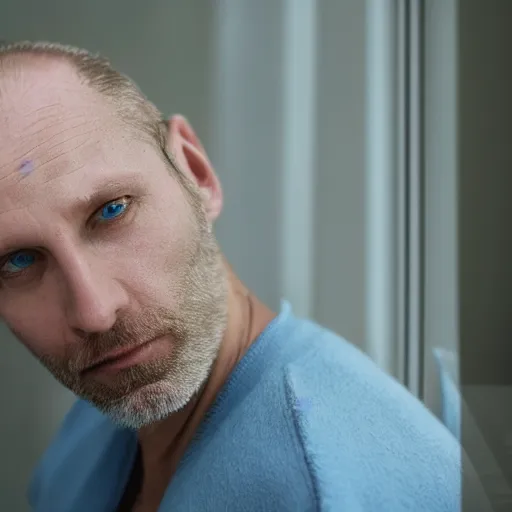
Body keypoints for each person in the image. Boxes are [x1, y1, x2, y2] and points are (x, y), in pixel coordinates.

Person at [0, 41, 460, 512]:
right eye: (18, 261)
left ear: (196, 174)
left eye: (112, 211)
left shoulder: (330, 487)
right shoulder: (90, 433)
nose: (94, 312)